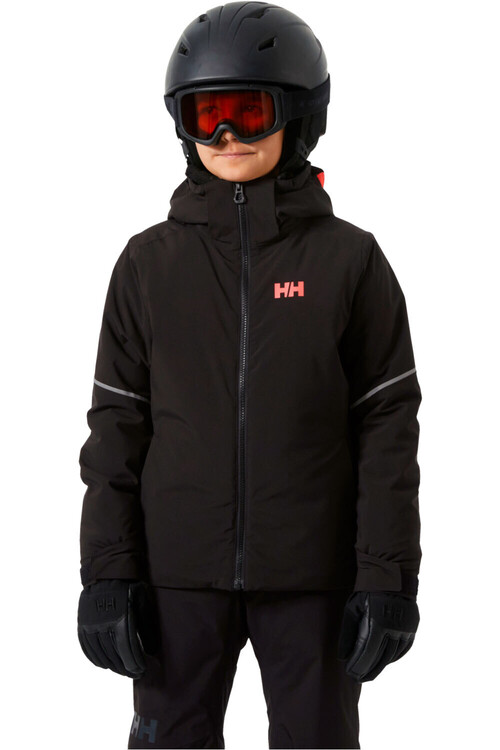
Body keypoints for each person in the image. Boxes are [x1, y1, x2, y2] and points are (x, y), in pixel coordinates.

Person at [77, 3, 422, 748]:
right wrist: (107, 572)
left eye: (247, 112)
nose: (226, 135)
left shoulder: (350, 262)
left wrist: (386, 577)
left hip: (313, 577)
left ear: (298, 117)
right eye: (206, 116)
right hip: (175, 577)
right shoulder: (147, 265)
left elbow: (388, 432)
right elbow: (115, 430)